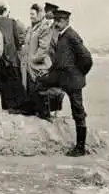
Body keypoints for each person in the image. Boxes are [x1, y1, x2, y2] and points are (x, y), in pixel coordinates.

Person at [36, 9, 93, 157]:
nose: (57, 24)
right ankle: (47, 115)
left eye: (59, 21)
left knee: (78, 112)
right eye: (55, 21)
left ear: (67, 21)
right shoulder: (62, 35)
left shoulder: (72, 36)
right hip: (60, 76)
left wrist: (79, 74)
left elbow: (87, 58)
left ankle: (80, 148)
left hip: (73, 80)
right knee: (39, 84)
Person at [0, 1, 27, 113]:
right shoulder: (12, 22)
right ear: (4, 11)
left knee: (0, 81)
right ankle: (15, 106)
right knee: (14, 82)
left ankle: (4, 105)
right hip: (12, 56)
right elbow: (16, 40)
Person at [20, 3, 53, 118]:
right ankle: (32, 110)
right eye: (30, 14)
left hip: (38, 65)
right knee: (30, 87)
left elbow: (43, 48)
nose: (31, 17)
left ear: (40, 14)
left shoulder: (44, 28)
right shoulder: (31, 29)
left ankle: (44, 114)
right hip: (28, 65)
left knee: (40, 89)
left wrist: (34, 59)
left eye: (33, 14)